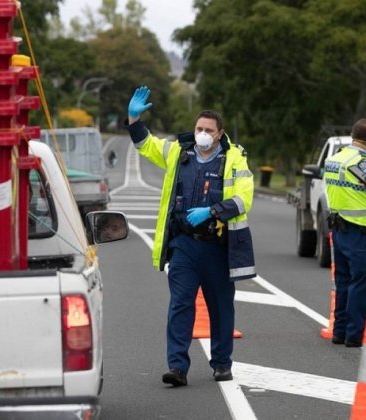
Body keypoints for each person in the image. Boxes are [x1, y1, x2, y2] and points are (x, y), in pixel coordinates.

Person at [126, 86, 255, 387]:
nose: (202, 134)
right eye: (199, 128)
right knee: (180, 304)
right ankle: (177, 367)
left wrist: (212, 212)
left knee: (220, 307)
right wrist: (133, 119)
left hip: (217, 245)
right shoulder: (178, 153)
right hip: (184, 244)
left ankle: (222, 364)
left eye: (209, 130)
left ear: (220, 134)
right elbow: (146, 145)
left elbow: (243, 200)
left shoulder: (234, 161)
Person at [323, 118, 366, 348]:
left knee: (344, 282)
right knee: (362, 284)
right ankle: (355, 335)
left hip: (339, 229)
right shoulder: (361, 162)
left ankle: (339, 331)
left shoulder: (334, 159)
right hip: (360, 230)